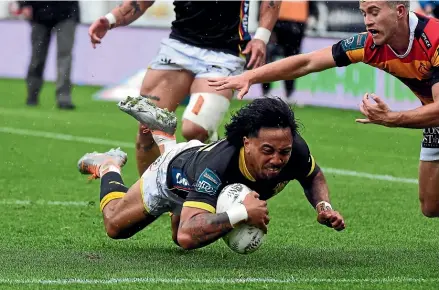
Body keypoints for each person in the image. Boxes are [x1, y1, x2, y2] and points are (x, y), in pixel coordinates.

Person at [208, 1, 439, 218]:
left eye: (374, 12)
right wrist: (250, 76)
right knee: (431, 206)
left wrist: (392, 118)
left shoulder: (434, 38)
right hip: (433, 120)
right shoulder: (369, 45)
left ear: (399, 11)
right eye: (363, 13)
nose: (367, 21)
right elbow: (307, 62)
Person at [77, 96, 345, 250]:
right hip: (171, 176)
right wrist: (242, 214)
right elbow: (186, 235)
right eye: (268, 151)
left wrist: (323, 206)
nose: (277, 160)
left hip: (197, 169)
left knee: (182, 235)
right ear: (246, 142)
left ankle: (164, 137)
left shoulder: (293, 148)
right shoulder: (219, 166)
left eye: (283, 152)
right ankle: (108, 165)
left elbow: (313, 176)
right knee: (115, 227)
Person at [88, 0, 281, 177]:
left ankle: (212, 165)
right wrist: (110, 19)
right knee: (147, 129)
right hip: (177, 47)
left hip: (224, 53)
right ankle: (149, 198)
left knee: (195, 129)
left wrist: (262, 37)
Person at [17, 1, 79, 109]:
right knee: (37, 58)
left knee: (65, 56)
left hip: (67, 13)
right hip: (39, 13)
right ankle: (32, 94)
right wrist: (24, 4)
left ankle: (64, 98)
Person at [261, 0, 309, 99]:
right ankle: (266, 92)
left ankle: (289, 94)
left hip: (297, 22)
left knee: (292, 60)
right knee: (268, 55)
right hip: (276, 21)